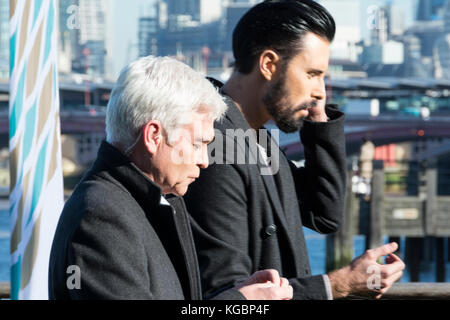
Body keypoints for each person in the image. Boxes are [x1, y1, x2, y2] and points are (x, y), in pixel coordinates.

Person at [184, 0, 405, 300]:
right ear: (269, 65)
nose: (320, 90)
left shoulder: (254, 137)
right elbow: (227, 295)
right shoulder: (218, 146)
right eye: (312, 74)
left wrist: (318, 118)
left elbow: (323, 214)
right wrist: (336, 285)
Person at [48, 56, 293, 300]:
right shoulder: (102, 217)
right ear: (154, 136)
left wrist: (238, 294)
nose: (204, 160)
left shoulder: (136, 202)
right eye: (198, 143)